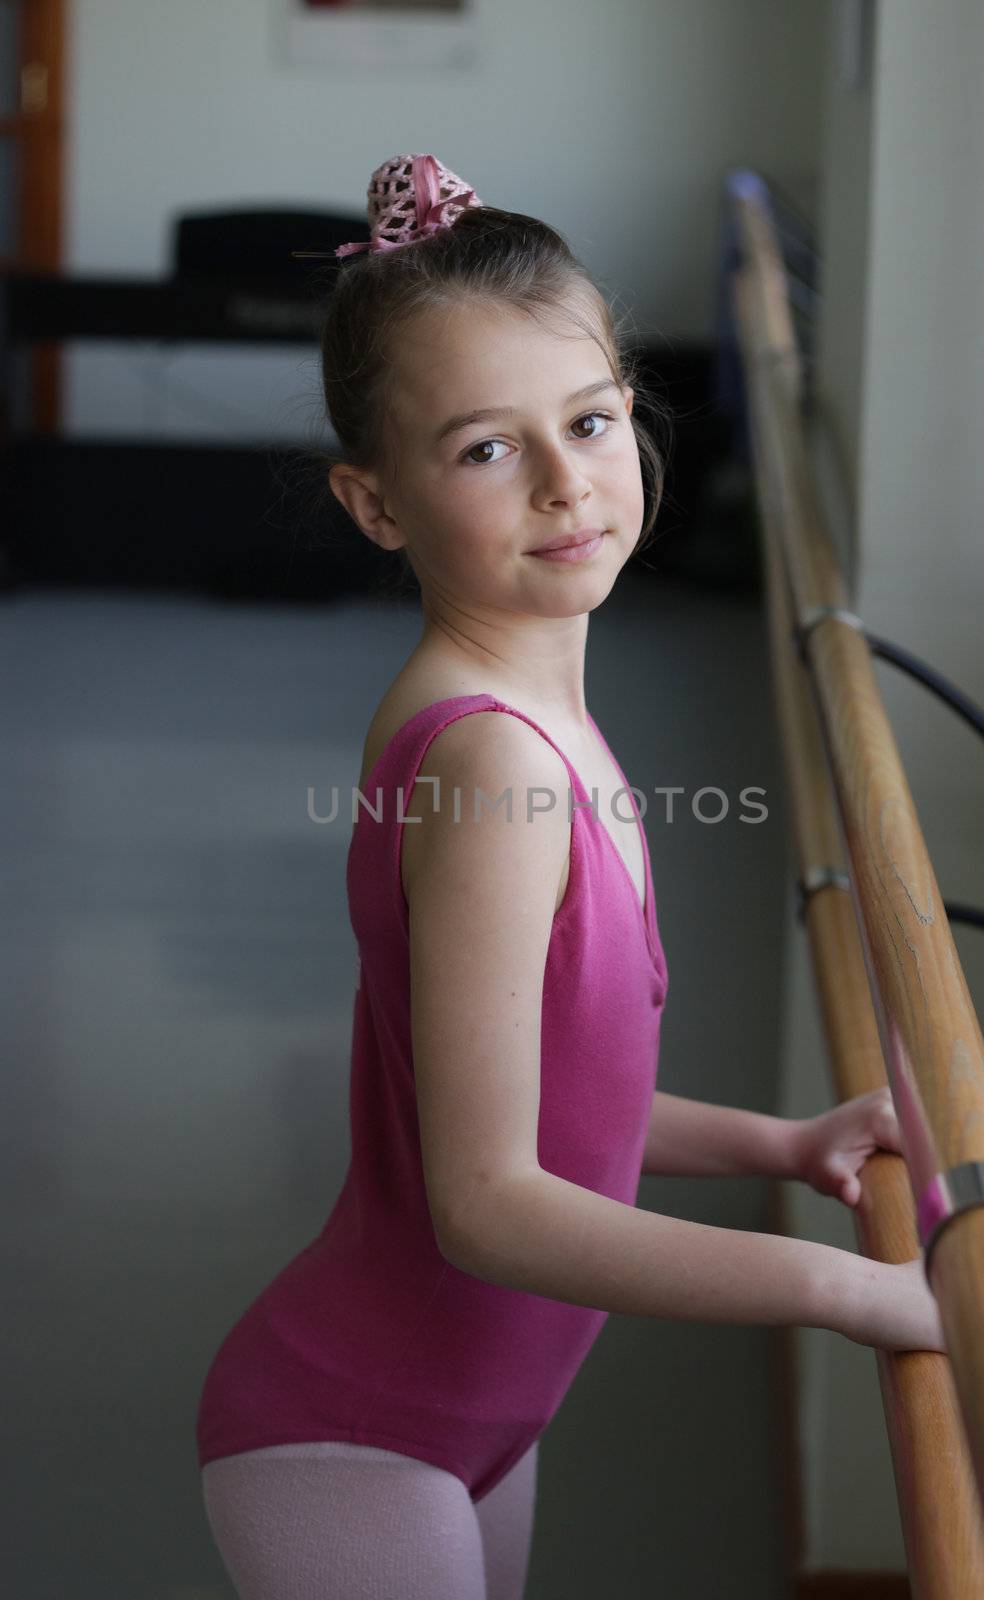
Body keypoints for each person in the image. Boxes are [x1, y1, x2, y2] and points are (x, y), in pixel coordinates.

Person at [195, 153, 944, 1600]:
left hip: (476, 1421)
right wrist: (849, 1294)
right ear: (376, 503)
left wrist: (781, 1146)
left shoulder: (546, 722)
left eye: (591, 420)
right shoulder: (490, 769)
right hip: (357, 1435)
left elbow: (546, 1099)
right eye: (485, 449)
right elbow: (487, 1200)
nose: (564, 483)